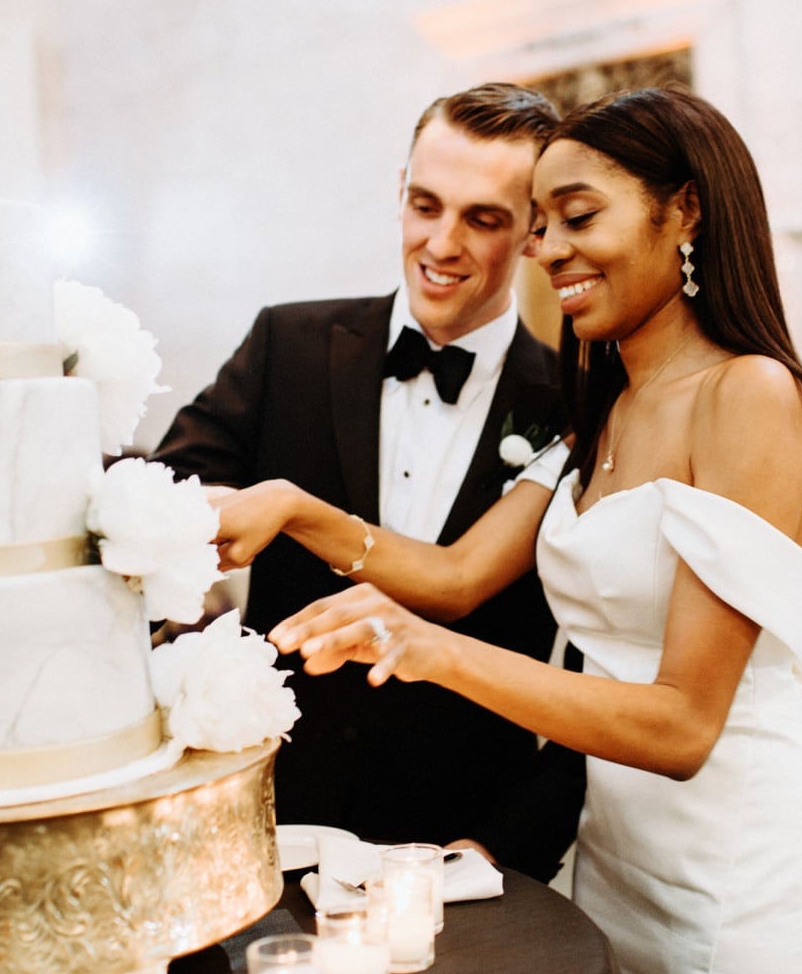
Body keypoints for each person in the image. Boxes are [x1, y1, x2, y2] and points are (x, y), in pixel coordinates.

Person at [216, 86, 802, 974]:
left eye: (578, 217)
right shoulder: (600, 407)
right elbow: (457, 573)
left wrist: (428, 651)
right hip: (619, 846)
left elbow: (685, 721)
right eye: (543, 223)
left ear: (682, 210)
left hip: (742, 860)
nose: (547, 247)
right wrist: (299, 509)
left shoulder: (751, 395)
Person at [156, 82, 583, 879]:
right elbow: (170, 486)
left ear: (535, 232)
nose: (442, 242)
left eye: (483, 218)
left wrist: (500, 848)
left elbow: (588, 664)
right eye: (425, 204)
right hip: (274, 814)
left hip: (461, 837)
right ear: (400, 193)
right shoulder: (290, 342)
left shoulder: (571, 404)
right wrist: (214, 517)